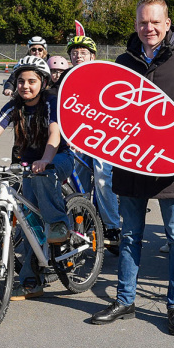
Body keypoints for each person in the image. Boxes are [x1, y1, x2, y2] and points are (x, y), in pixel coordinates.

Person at [89, 0, 174, 336]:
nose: (149, 28)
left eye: (155, 22)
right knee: (131, 235)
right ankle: (125, 300)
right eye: (143, 22)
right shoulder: (122, 62)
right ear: (136, 25)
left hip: (172, 169)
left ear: (167, 24)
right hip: (130, 166)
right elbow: (107, 116)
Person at [0, 55, 74, 300]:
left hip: (58, 157)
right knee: (28, 220)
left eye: (32, 81)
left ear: (42, 82)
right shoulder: (14, 106)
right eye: (21, 81)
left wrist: (46, 159)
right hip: (29, 165)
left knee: (45, 178)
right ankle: (32, 282)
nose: (25, 86)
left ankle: (59, 227)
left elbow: (55, 133)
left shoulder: (52, 100)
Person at [59, 33, 121, 250]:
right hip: (76, 137)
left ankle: (112, 226)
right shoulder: (64, 78)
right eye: (74, 53)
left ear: (92, 56)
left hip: (102, 136)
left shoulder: (102, 75)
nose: (78, 56)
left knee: (103, 176)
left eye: (83, 53)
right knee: (77, 180)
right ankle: (82, 219)